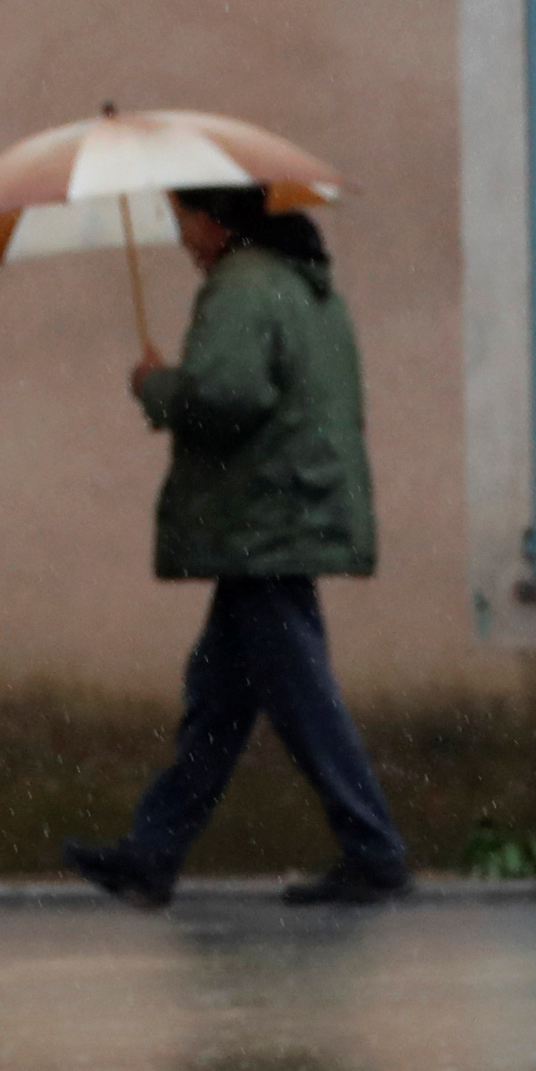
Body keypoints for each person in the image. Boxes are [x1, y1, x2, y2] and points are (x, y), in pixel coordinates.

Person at [62, 181, 413, 909]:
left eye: (184, 218)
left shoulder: (243, 285)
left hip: (265, 522)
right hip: (285, 513)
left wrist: (158, 387)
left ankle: (375, 850)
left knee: (302, 698)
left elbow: (229, 394)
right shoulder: (295, 282)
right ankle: (151, 855)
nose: (181, 236)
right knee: (217, 700)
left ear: (215, 221)